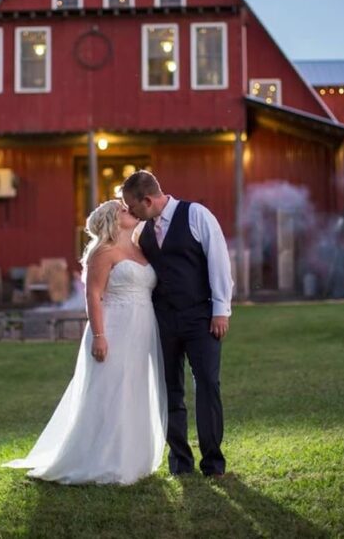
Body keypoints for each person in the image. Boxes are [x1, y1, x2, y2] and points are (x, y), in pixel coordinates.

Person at [2, 200, 167, 484]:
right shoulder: (102, 252)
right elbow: (93, 295)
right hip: (114, 327)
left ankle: (133, 458)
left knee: (136, 387)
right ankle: (104, 459)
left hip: (143, 327)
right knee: (112, 390)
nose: (131, 211)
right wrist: (100, 337)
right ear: (113, 221)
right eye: (123, 210)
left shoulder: (140, 248)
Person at [120, 170, 233, 478]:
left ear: (147, 199)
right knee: (170, 390)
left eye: (132, 207)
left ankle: (213, 463)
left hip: (201, 317)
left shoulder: (196, 215)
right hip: (163, 320)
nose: (129, 213)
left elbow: (218, 260)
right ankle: (180, 463)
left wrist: (221, 310)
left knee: (208, 384)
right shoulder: (141, 231)